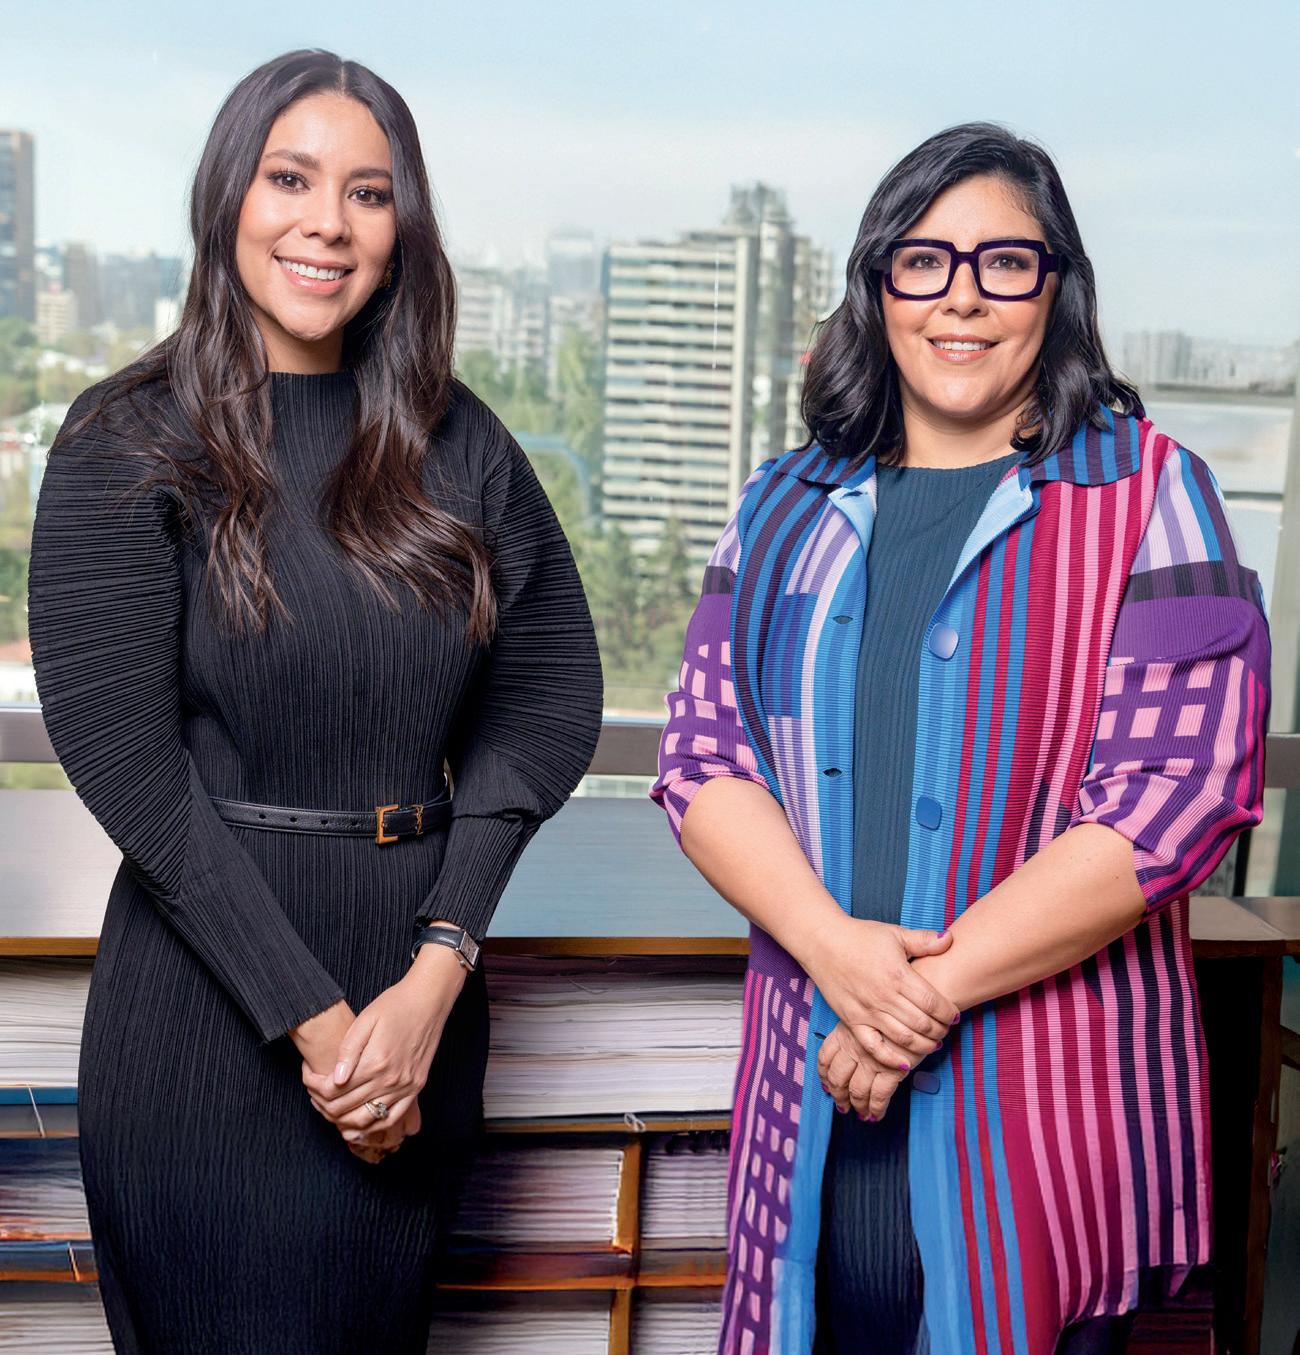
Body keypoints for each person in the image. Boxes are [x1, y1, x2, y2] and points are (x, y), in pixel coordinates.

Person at [650, 121, 1270, 1355]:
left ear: (1057, 289)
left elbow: (1173, 796)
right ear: (878, 287)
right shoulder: (781, 504)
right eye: (924, 261)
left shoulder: (1151, 491)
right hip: (809, 1096)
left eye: (1006, 263)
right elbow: (704, 757)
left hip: (1038, 1119)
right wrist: (835, 951)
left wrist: (912, 999)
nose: (962, 298)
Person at [26, 49, 602, 1355]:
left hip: (419, 998)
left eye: (367, 191)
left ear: (403, 229)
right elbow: (129, 763)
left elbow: (546, 700)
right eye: (290, 179)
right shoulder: (126, 437)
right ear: (228, 195)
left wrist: (436, 974)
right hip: (203, 1015)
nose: (327, 222)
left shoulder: (461, 441)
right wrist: (330, 1031)